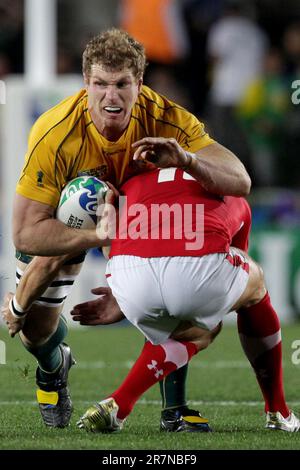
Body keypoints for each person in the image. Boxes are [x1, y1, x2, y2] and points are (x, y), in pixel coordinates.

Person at [3, 28, 251, 429]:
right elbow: (26, 234)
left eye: (121, 84)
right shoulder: (55, 133)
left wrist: (187, 160)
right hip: (77, 220)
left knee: (179, 287)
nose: (111, 96)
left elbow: (239, 180)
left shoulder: (167, 117)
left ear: (139, 83)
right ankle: (54, 365)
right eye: (100, 84)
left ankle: (175, 410)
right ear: (86, 85)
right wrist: (99, 238)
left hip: (141, 218)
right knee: (33, 330)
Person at [72, 167, 299, 433]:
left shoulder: (130, 183)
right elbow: (234, 275)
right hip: (196, 271)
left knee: (193, 329)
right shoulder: (229, 184)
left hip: (128, 275)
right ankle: (278, 411)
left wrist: (123, 295)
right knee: (254, 286)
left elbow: (110, 242)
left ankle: (120, 406)